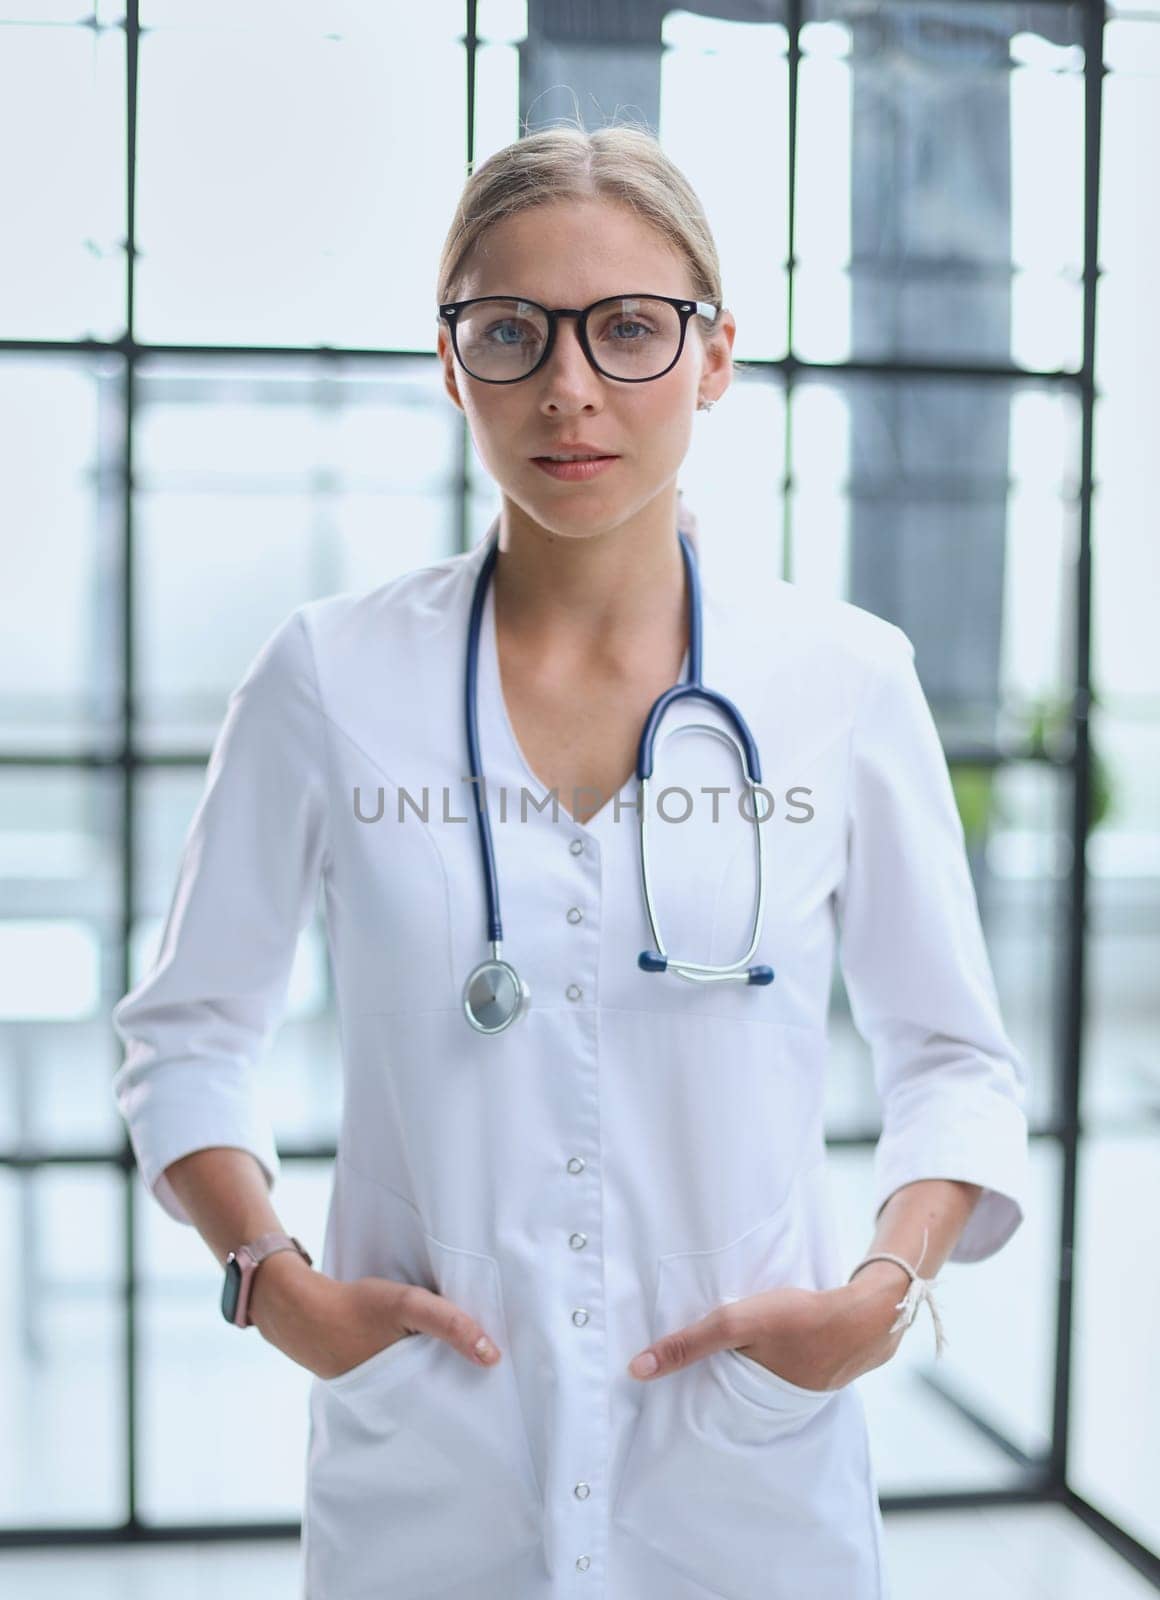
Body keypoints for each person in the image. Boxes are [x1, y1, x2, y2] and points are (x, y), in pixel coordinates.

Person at [110, 119, 1031, 1600]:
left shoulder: (843, 681)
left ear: (715, 357)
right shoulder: (327, 681)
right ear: (451, 360)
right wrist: (273, 1286)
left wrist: (881, 1292)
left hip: (744, 1475)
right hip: (431, 1469)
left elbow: (956, 1062)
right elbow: (188, 1038)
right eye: (511, 332)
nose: (570, 387)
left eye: (627, 329)